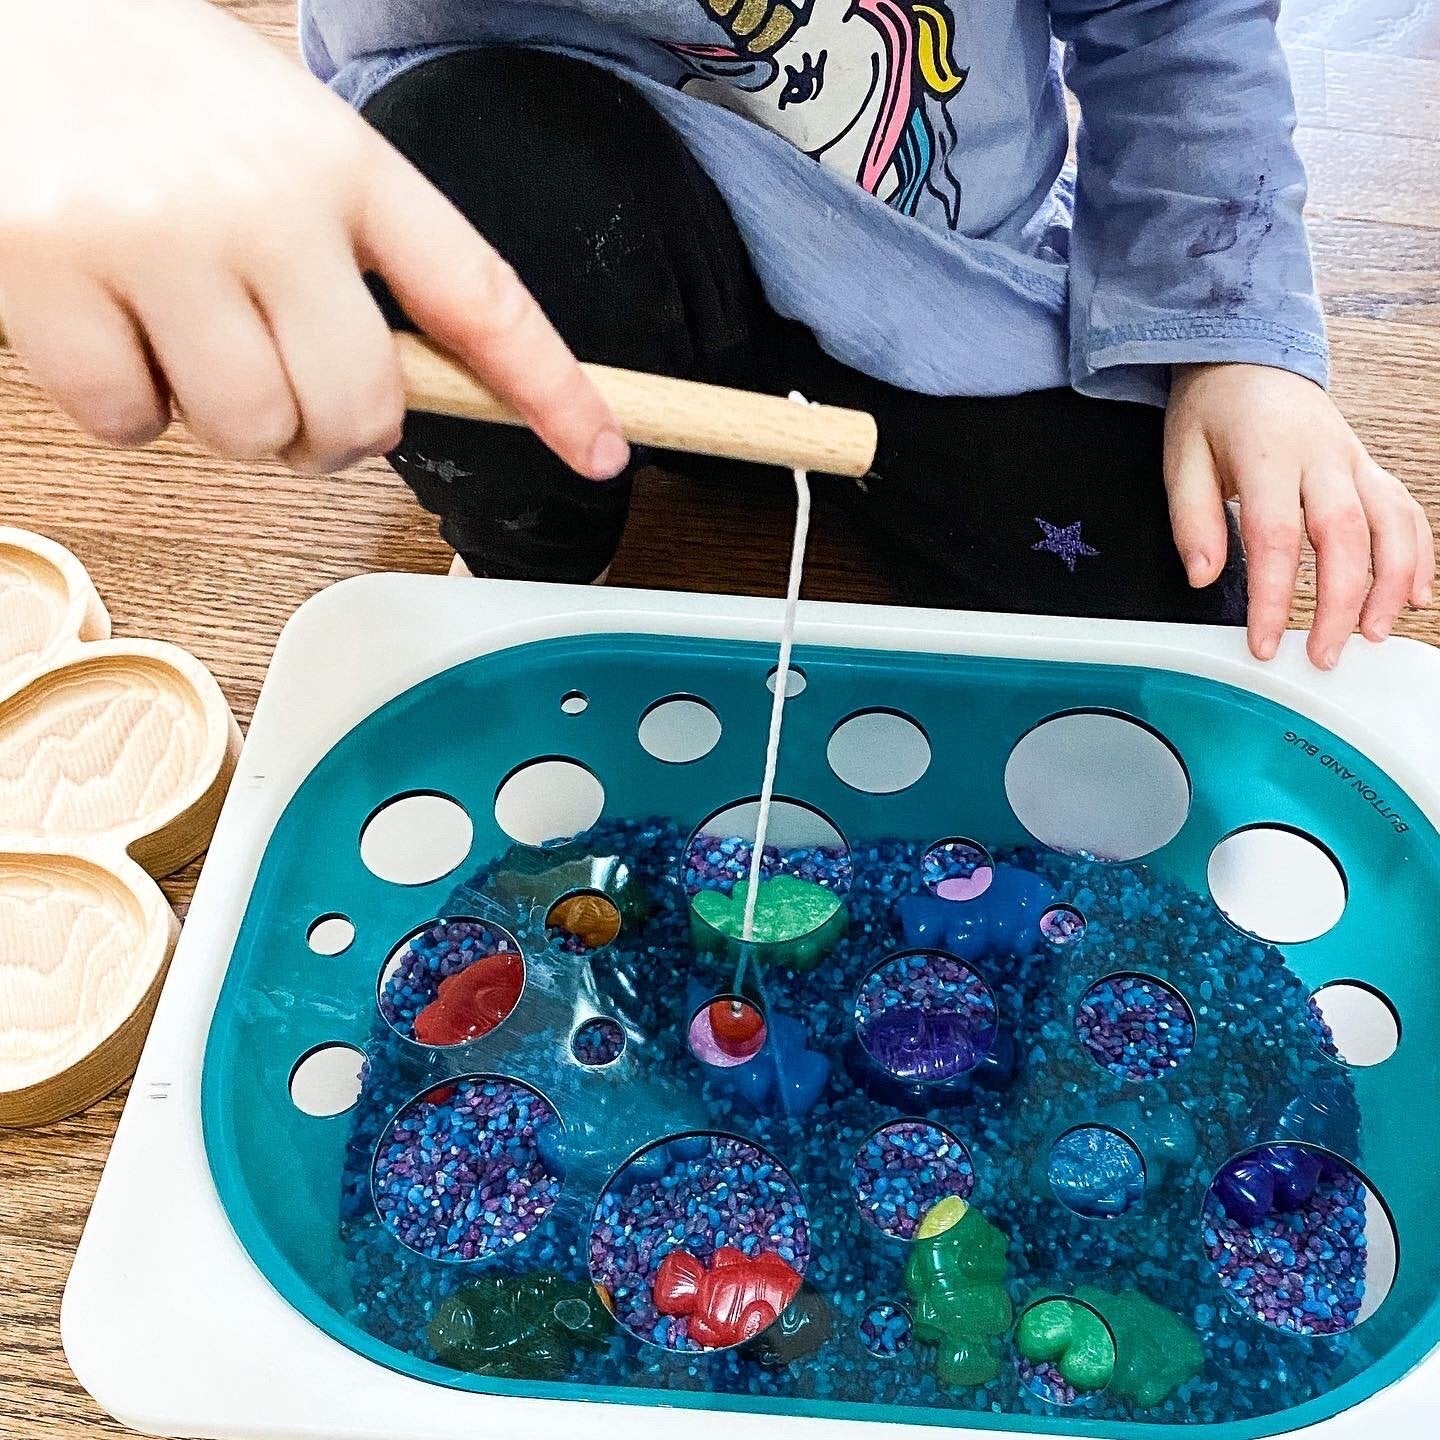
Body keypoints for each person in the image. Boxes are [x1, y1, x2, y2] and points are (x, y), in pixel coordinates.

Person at [1, 0, 1431, 668]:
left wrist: (1231, 333)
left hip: (942, 290)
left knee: (1180, 594)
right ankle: (528, 566)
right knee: (459, 166)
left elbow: (1174, 22)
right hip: (557, 275)